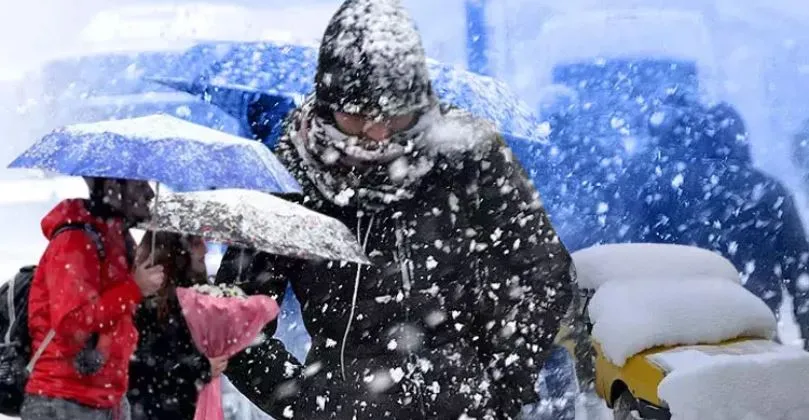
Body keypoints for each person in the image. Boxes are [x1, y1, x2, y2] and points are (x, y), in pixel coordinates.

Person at [215, 0, 574, 419]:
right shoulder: (291, 171)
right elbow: (233, 315)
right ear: (327, 103)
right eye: (357, 114)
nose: (378, 133)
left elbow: (544, 274)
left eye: (394, 114)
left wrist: (498, 391)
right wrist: (307, 405)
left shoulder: (468, 155)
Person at [626, 99, 809, 347]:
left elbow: (639, 268)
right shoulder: (767, 189)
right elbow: (800, 268)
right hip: (757, 328)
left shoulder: (663, 191)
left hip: (684, 333)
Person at [21, 177, 164, 420]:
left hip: (107, 398)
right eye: (140, 185)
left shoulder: (115, 241)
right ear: (111, 187)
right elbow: (71, 324)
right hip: (65, 402)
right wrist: (134, 289)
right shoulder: (75, 241)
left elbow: (117, 320)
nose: (150, 193)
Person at [128, 231, 229, 420]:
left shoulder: (193, 294)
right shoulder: (149, 298)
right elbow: (144, 363)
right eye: (197, 242)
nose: (206, 249)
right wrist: (202, 368)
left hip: (183, 407)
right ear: (176, 247)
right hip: (151, 410)